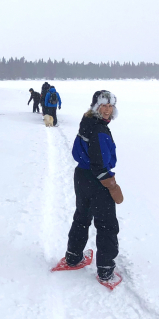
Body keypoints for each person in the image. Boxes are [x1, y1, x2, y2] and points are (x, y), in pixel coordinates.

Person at [56, 90, 124, 288]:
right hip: (97, 180)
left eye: (110, 106)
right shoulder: (99, 130)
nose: (107, 110)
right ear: (96, 106)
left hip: (81, 176)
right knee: (107, 225)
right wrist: (111, 184)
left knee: (82, 217)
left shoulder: (87, 121)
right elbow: (99, 164)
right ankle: (105, 271)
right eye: (103, 106)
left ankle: (73, 257)